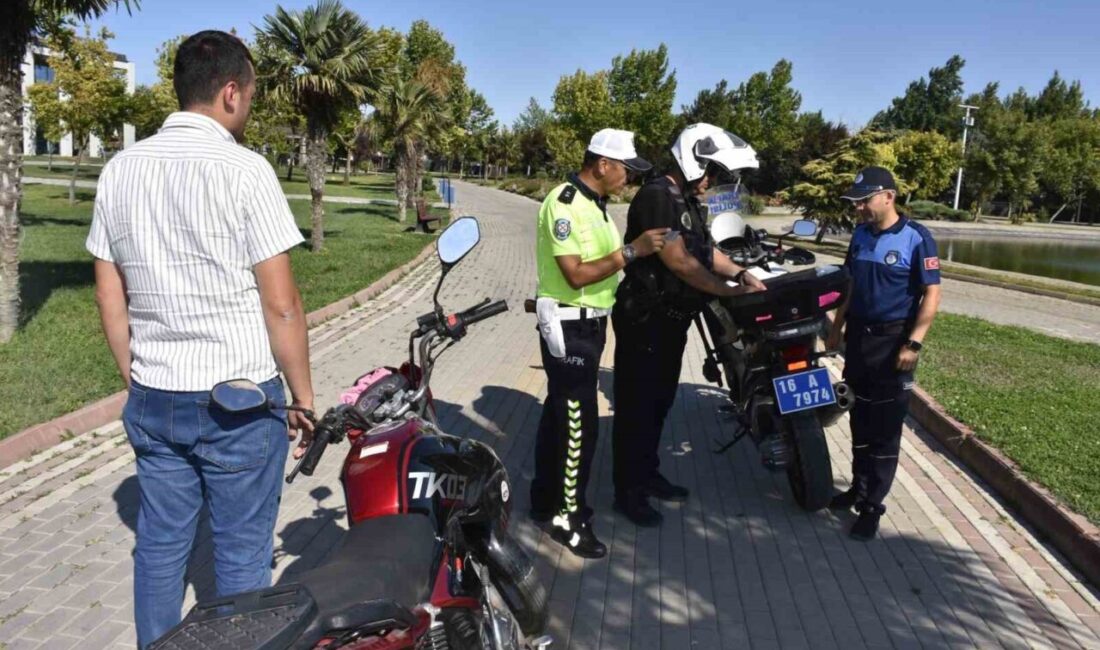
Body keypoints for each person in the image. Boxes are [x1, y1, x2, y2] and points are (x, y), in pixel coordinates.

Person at [86, 30, 315, 647]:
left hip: (155, 395)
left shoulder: (120, 170)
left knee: (160, 548)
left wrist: (132, 374)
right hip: (237, 401)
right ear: (232, 92)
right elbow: (282, 304)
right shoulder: (246, 170)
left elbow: (110, 293)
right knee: (241, 558)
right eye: (253, 95)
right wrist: (302, 396)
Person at [611, 123, 766, 527]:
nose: (713, 181)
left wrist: (741, 272)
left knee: (658, 404)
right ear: (691, 162)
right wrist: (727, 291)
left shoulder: (688, 201)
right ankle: (629, 492)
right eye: (710, 172)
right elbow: (680, 261)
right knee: (636, 408)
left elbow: (706, 252)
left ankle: (648, 473)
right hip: (645, 320)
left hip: (671, 323)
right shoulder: (657, 198)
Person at [530, 129, 669, 558]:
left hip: (589, 326)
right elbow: (575, 273)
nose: (629, 177)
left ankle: (543, 499)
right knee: (579, 427)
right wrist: (633, 252)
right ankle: (568, 520)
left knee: (559, 417)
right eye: (626, 169)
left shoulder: (596, 205)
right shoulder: (565, 204)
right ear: (602, 164)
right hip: (570, 329)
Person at [825, 166, 942, 541]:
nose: (858, 208)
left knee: (885, 429)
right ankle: (858, 489)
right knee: (858, 416)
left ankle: (873, 506)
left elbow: (932, 294)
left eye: (864, 201)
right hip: (858, 339)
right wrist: (836, 326)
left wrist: (914, 343)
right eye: (855, 202)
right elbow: (849, 284)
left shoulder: (916, 238)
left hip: (893, 344)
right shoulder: (859, 235)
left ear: (888, 197)